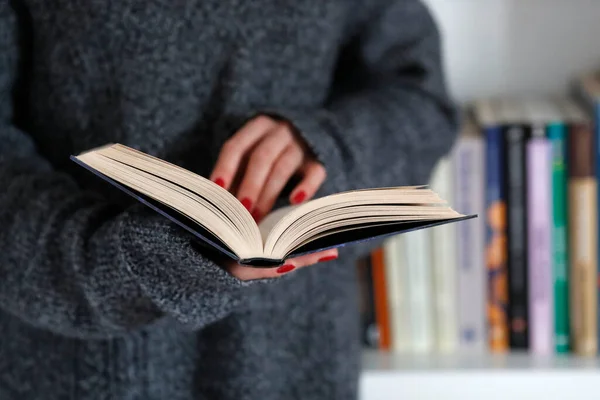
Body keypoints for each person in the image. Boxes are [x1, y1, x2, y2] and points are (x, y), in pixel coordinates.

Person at [0, 0, 457, 399]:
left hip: (294, 360)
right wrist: (142, 261)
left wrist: (327, 147)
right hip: (74, 360)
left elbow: (417, 96)